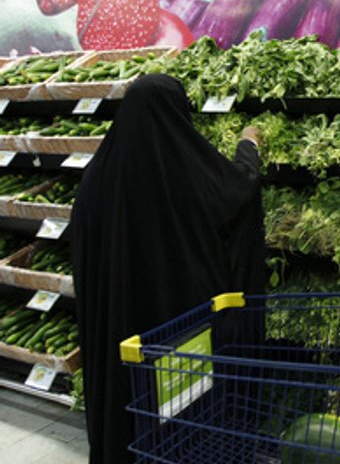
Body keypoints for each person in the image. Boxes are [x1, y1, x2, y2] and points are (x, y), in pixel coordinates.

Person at [70, 74, 267, 464]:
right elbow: (236, 192)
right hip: (179, 327)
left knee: (131, 399)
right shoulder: (186, 171)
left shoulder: (95, 178)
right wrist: (249, 145)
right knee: (182, 403)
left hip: (119, 325)